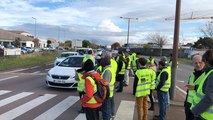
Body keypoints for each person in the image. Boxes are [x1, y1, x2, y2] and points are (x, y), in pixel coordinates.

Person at [191, 50, 213, 120]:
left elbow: (210, 98)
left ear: (206, 61)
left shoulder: (211, 73)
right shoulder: (209, 72)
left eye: (202, 61)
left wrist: (196, 110)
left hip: (205, 116)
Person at [184, 55, 205, 120]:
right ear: (193, 64)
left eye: (200, 62)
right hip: (189, 105)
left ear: (203, 63)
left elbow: (207, 89)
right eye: (196, 63)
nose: (198, 65)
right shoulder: (192, 75)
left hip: (199, 106)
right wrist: (186, 102)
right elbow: (189, 90)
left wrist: (195, 87)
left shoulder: (206, 75)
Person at [100, 55, 113, 120]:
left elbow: (104, 83)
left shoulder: (107, 71)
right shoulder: (110, 69)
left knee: (105, 111)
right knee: (107, 109)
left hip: (106, 93)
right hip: (110, 92)